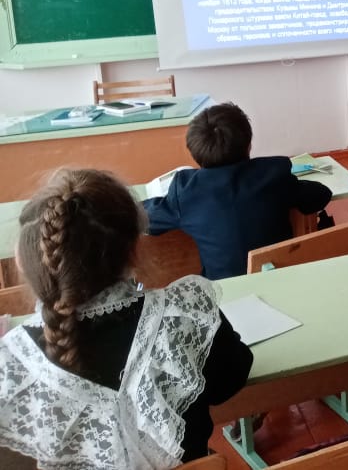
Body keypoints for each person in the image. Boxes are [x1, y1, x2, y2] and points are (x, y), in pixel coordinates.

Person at [0, 169, 253, 468]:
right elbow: (231, 379)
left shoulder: (9, 366)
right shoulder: (186, 314)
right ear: (134, 250)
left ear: (25, 261)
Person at [144, 102, 334, 279]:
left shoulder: (186, 192)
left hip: (224, 296)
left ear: (194, 152)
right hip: (281, 284)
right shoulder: (273, 176)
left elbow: (144, 219)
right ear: (249, 145)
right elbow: (321, 195)